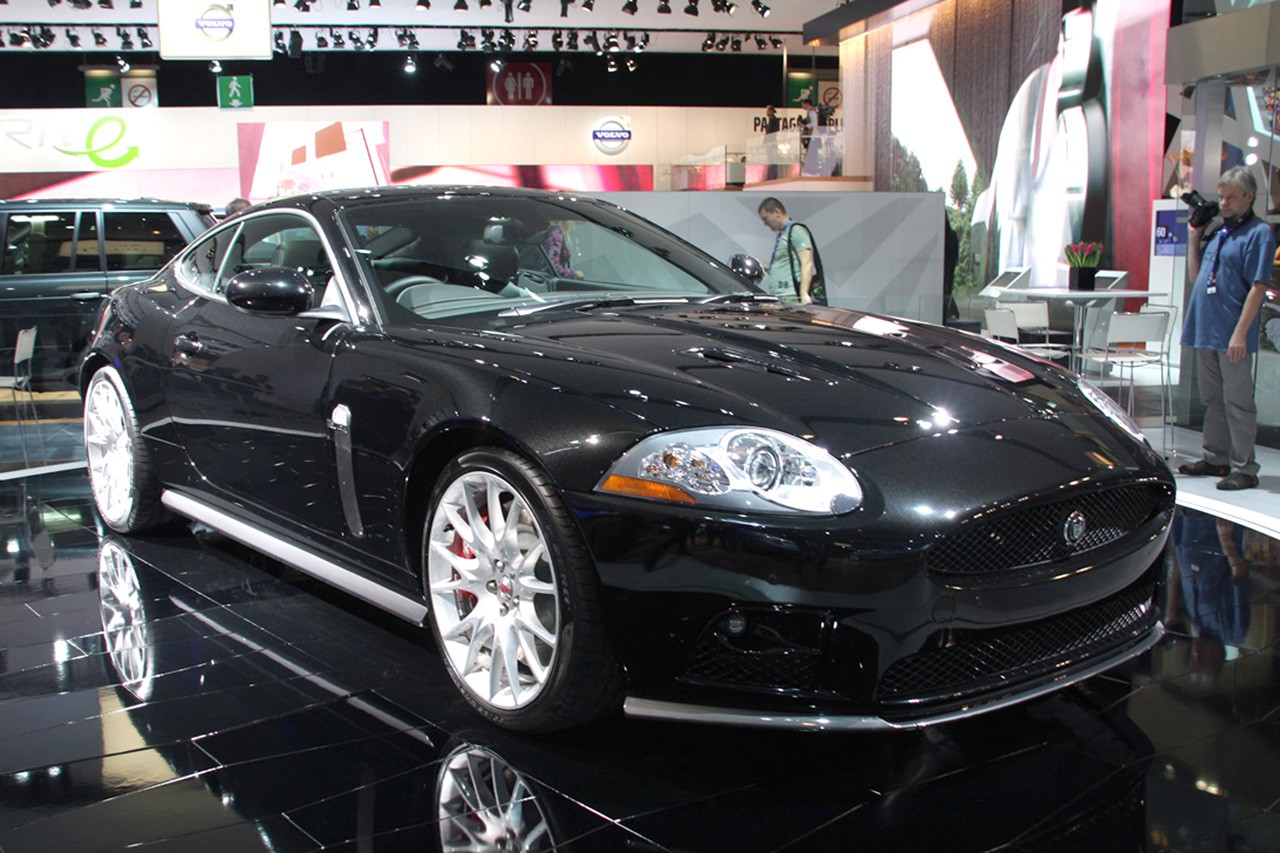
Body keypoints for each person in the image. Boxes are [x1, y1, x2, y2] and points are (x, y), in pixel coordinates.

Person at [1179, 166, 1277, 491]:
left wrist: (1240, 332)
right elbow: (1197, 278)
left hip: (1231, 332)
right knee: (1213, 400)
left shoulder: (1259, 234)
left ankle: (1245, 468)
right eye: (1221, 197)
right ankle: (1215, 458)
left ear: (1249, 197)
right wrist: (1194, 237)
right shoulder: (1221, 232)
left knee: (1237, 402)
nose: (1223, 203)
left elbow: (1258, 286)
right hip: (1205, 329)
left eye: (1231, 198)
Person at [757, 197, 815, 305]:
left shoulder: (796, 231)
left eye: (766, 218)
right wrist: (761, 264)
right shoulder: (783, 234)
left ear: (777, 212)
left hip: (792, 297)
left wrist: (803, 293)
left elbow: (807, 263)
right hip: (781, 298)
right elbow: (783, 265)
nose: (765, 223)